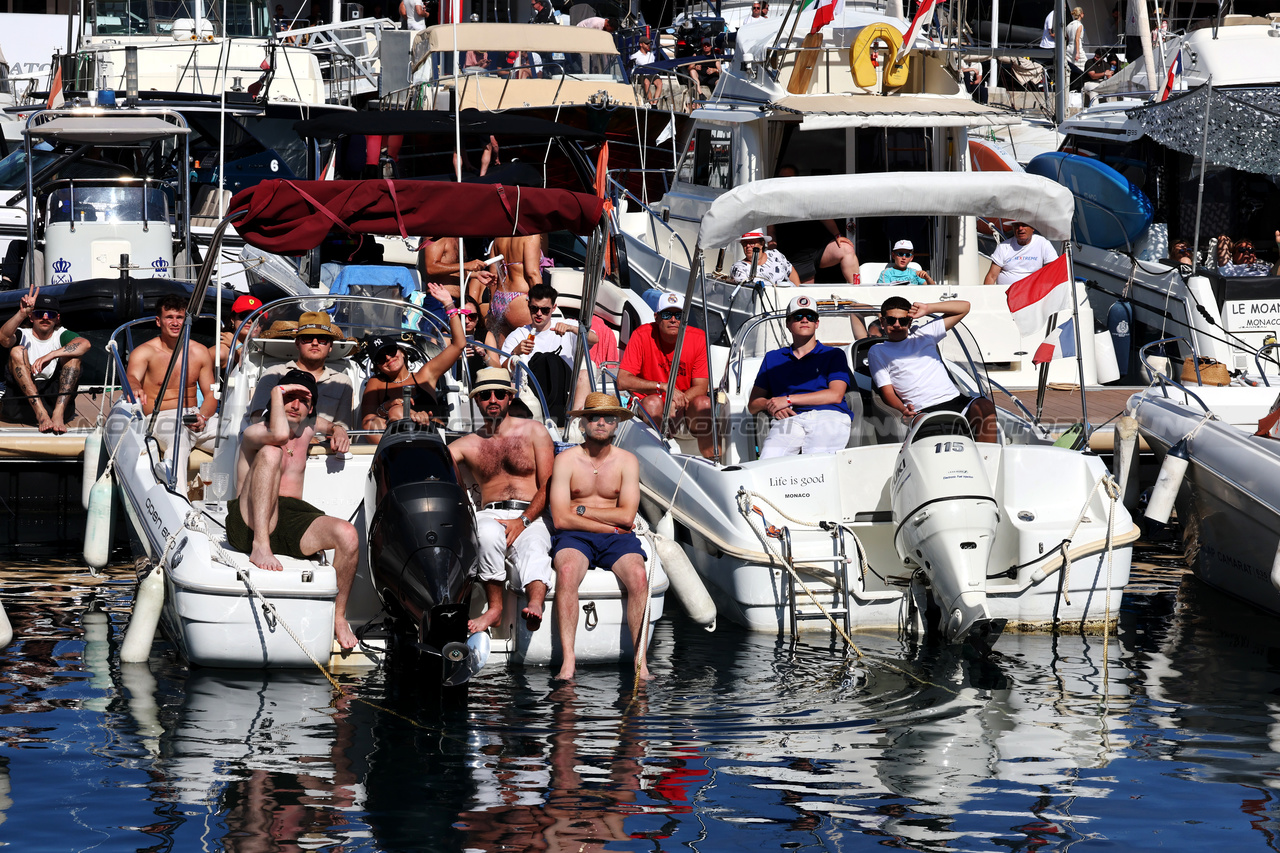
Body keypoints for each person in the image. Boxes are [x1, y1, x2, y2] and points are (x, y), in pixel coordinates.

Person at [228, 369, 359, 650]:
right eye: (289, 397)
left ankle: (338, 616)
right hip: (248, 521)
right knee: (272, 451)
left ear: (311, 407)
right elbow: (278, 434)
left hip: (289, 518)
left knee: (348, 535)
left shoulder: (309, 427)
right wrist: (276, 391)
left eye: (303, 400)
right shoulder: (255, 434)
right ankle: (261, 545)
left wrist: (338, 429)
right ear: (278, 398)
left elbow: (326, 425)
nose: (295, 405)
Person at [548, 392, 651, 681]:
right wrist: (606, 523)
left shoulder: (627, 461)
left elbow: (627, 516)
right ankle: (568, 661)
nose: (601, 422)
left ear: (617, 424)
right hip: (576, 537)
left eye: (609, 418)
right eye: (594, 417)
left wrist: (580, 508)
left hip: (616, 538)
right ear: (583, 423)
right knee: (567, 571)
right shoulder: (566, 461)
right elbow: (560, 518)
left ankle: (640, 661)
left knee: (639, 577)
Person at [449, 367, 555, 634]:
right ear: (476, 400)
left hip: (531, 512)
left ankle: (535, 604)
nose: (492, 399)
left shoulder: (535, 431)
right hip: (491, 513)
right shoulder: (467, 444)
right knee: (485, 533)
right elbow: (435, 461)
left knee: (535, 547)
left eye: (499, 393)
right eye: (485, 394)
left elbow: (548, 485)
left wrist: (523, 520)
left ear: (510, 397)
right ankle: (495, 610)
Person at [869, 297, 997, 443]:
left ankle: (987, 459)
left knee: (985, 407)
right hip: (922, 409)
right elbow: (887, 392)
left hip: (956, 400)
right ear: (882, 322)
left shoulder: (924, 335)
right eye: (891, 320)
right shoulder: (877, 351)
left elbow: (965, 307)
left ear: (910, 322)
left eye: (903, 321)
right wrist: (903, 410)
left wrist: (929, 308)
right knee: (927, 425)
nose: (897, 325)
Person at [126, 294, 219, 480]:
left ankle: (234, 502)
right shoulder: (145, 352)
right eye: (170, 317)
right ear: (159, 321)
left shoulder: (199, 351)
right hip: (161, 417)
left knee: (237, 436)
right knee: (179, 438)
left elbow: (210, 394)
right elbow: (131, 377)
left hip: (197, 416)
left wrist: (203, 416)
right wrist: (135, 387)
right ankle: (176, 496)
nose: (175, 322)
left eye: (180, 317)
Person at [747, 295, 853, 458]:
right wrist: (771, 404)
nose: (805, 320)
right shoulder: (773, 358)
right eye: (798, 317)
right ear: (788, 323)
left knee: (817, 463)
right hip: (790, 419)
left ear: (816, 323)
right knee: (767, 461)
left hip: (829, 416)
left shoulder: (834, 354)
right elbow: (753, 404)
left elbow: (836, 395)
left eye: (810, 316)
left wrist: (788, 400)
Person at [359, 281, 465, 440]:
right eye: (381, 358)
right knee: (376, 421)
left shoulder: (425, 375)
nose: (388, 358)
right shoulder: (376, 383)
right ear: (378, 366)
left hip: (431, 437)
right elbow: (367, 420)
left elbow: (459, 344)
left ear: (402, 352)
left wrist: (449, 304)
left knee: (397, 412)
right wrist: (388, 407)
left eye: (390, 351)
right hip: (396, 441)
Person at [616, 291, 714, 458]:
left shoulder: (698, 338)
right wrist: (662, 388)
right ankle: (661, 460)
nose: (673, 319)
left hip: (684, 404)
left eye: (678, 315)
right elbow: (622, 381)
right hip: (649, 404)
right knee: (653, 403)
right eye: (667, 314)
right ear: (657, 317)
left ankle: (713, 461)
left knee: (704, 403)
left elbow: (701, 387)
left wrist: (675, 403)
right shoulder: (641, 335)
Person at [248, 312, 353, 454]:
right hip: (279, 449)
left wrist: (337, 431)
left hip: (324, 453)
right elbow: (258, 417)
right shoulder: (274, 373)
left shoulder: (343, 381)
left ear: (330, 346)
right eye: (308, 338)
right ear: (297, 343)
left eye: (322, 339)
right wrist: (304, 437)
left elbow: (342, 427)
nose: (315, 343)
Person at [501, 283, 598, 419]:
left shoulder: (567, 325)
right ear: (528, 306)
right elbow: (502, 370)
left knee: (586, 369)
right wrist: (515, 353)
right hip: (532, 389)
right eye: (534, 309)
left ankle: (575, 423)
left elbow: (594, 339)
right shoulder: (517, 335)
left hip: (566, 389)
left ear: (553, 308)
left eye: (545, 310)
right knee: (545, 360)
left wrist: (571, 329)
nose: (539, 314)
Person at [0, 290, 89, 432]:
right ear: (31, 317)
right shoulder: (22, 334)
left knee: (73, 357)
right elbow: (3, 339)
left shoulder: (61, 335)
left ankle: (58, 414)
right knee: (17, 351)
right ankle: (41, 414)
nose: (45, 318)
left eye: (51, 314)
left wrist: (52, 355)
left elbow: (85, 344)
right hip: (20, 405)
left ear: (57, 318)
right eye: (40, 314)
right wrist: (21, 313)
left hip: (54, 403)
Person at [772, 165, 861, 284]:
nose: (786, 181)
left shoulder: (806, 197)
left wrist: (838, 235)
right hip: (794, 257)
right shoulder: (773, 201)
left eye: (790, 178)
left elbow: (825, 217)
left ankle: (857, 289)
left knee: (846, 249)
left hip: (817, 250)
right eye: (782, 178)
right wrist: (771, 254)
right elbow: (771, 231)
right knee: (805, 298)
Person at [488, 233, 543, 341]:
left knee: (504, 354)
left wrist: (492, 303)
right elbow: (532, 274)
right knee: (532, 351)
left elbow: (492, 276)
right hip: (519, 298)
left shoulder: (498, 238)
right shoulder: (530, 236)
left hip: (499, 298)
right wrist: (542, 302)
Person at [419, 237, 497, 306]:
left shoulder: (459, 238)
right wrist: (466, 265)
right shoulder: (436, 235)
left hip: (460, 302)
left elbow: (454, 269)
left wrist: (476, 274)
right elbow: (431, 267)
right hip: (439, 302)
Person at [983, 221, 1058, 286]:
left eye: (1024, 225)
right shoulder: (1004, 246)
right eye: (1017, 226)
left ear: (1032, 228)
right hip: (1006, 295)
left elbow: (1054, 271)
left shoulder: (1043, 244)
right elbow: (992, 276)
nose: (1020, 228)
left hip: (1034, 294)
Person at [730, 231, 800, 287]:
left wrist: (798, 292)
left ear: (762, 243)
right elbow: (748, 290)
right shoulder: (739, 268)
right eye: (745, 243)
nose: (748, 246)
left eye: (752, 242)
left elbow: (791, 273)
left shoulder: (776, 255)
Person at [217, 293, 263, 369]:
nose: (249, 320)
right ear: (232, 319)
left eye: (255, 317)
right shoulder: (222, 351)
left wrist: (236, 344)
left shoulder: (262, 349)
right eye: (244, 316)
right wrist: (237, 346)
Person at [630, 36, 663, 105]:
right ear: (641, 44)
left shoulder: (651, 55)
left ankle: (655, 103)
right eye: (646, 43)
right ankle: (650, 102)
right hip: (642, 74)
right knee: (646, 83)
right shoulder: (635, 56)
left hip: (652, 73)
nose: (648, 45)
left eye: (649, 44)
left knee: (660, 83)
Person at [1064, 7, 1086, 76]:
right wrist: (1077, 53)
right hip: (1076, 49)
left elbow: (1067, 38)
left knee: (1070, 67)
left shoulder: (1069, 25)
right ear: (1081, 14)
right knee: (1085, 66)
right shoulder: (1079, 25)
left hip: (1069, 48)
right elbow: (1077, 39)